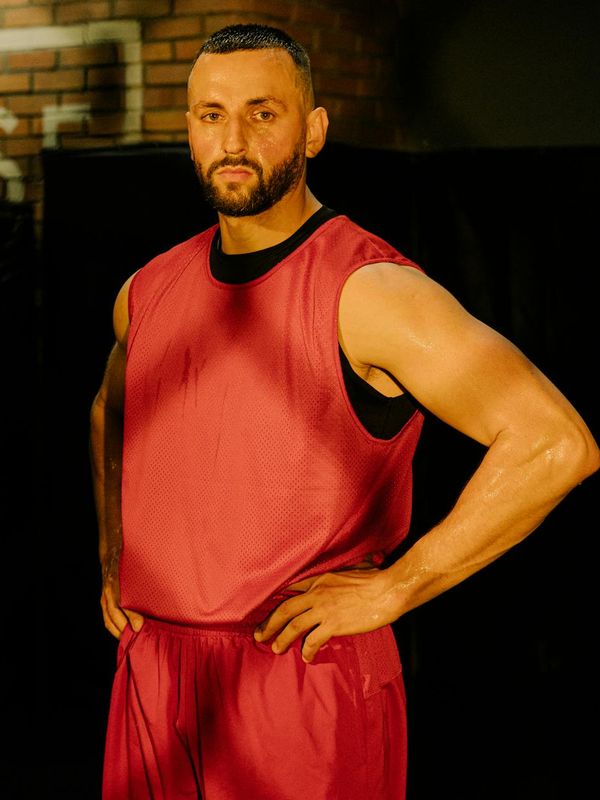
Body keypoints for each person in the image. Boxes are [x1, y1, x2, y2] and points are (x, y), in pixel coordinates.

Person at [89, 22, 599, 800]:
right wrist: (114, 552)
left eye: (263, 113)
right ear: (188, 129)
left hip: (298, 678)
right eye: (211, 114)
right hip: (156, 678)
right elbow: (108, 414)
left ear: (314, 129)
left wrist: (400, 585)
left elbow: (556, 443)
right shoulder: (148, 289)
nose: (233, 138)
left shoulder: (372, 293)